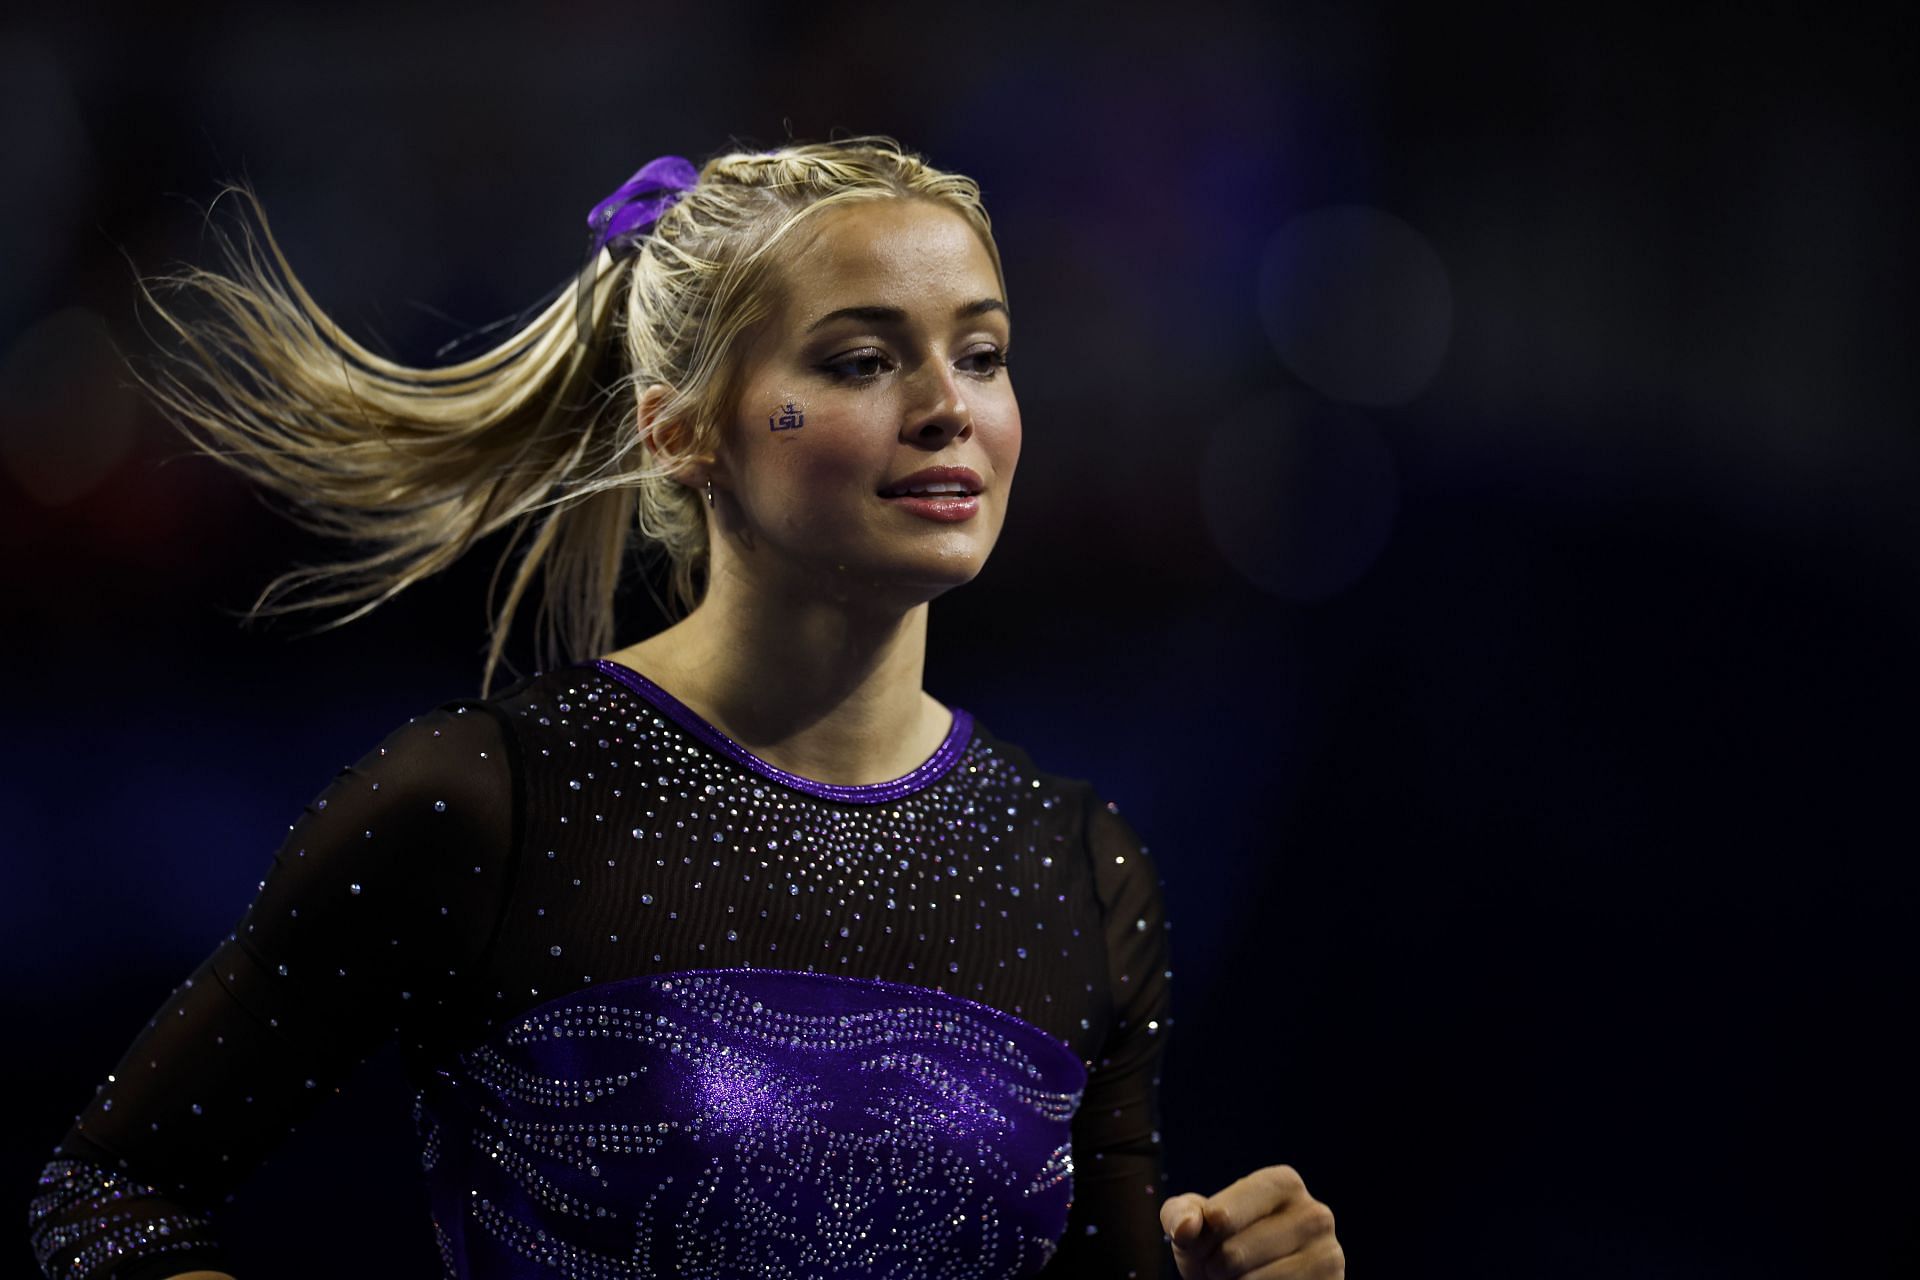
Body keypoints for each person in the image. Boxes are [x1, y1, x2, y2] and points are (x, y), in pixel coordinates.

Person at [27, 138, 1345, 1280]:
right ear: (681, 430)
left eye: (983, 353)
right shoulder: (492, 801)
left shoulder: (1079, 863)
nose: (950, 407)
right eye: (863, 357)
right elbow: (111, 1191)